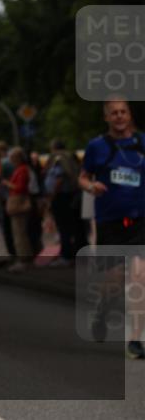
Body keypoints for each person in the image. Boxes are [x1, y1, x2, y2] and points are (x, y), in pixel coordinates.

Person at [79, 96, 144, 359]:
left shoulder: (142, 142)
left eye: (123, 112)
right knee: (116, 279)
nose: (119, 116)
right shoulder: (97, 146)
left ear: (129, 115)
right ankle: (101, 310)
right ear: (107, 117)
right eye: (113, 113)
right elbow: (83, 177)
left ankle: (135, 340)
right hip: (110, 220)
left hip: (140, 219)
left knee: (139, 275)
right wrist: (91, 186)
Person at [44, 138, 85, 265]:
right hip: (73, 195)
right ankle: (77, 253)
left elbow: (59, 178)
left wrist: (52, 196)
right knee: (76, 226)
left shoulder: (58, 158)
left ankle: (66, 255)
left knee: (64, 227)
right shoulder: (70, 156)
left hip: (62, 196)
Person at [5, 147, 34, 272]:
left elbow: (20, 187)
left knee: (19, 232)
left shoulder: (21, 170)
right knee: (20, 232)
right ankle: (25, 257)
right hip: (19, 201)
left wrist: (6, 184)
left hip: (18, 202)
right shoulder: (21, 169)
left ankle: (23, 259)